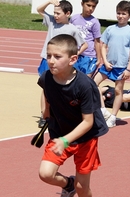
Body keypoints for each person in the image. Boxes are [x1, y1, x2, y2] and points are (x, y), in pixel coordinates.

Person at [37, 34, 108, 197]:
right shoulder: (46, 76)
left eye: (57, 56)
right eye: (49, 55)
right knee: (45, 173)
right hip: (59, 133)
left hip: (85, 138)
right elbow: (45, 90)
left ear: (73, 59)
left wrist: (66, 140)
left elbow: (88, 122)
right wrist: (45, 111)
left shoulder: (85, 85)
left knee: (82, 185)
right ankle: (67, 186)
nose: (51, 60)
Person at [36, 0, 88, 128]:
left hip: (63, 63)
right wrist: (49, 2)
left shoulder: (72, 29)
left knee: (61, 87)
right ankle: (44, 115)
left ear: (68, 13)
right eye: (54, 13)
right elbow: (39, 10)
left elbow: (84, 45)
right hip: (47, 60)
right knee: (45, 88)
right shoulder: (52, 22)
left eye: (58, 13)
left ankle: (60, 112)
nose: (55, 16)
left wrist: (72, 56)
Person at [93, 0, 130, 128]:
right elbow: (103, 45)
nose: (120, 16)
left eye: (123, 14)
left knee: (118, 90)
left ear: (129, 15)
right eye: (118, 13)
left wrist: (128, 69)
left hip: (121, 67)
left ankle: (113, 116)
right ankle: (102, 110)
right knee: (93, 84)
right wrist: (105, 61)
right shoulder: (110, 29)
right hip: (107, 65)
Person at [70, 0, 102, 77]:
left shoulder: (95, 22)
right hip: (76, 54)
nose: (91, 8)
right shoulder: (74, 18)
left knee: (86, 81)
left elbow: (97, 41)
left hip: (89, 56)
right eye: (88, 5)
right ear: (82, 4)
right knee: (73, 78)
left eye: (93, 6)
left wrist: (99, 58)